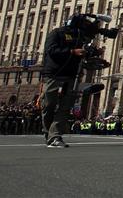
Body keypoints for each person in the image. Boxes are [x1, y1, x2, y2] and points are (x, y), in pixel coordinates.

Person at [40, 16, 89, 148]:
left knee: (65, 106)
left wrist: (90, 53)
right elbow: (51, 51)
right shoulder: (56, 33)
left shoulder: (80, 38)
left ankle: (55, 135)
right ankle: (48, 132)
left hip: (70, 75)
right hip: (53, 74)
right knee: (49, 104)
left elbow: (82, 54)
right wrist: (72, 51)